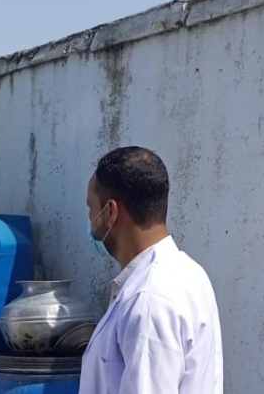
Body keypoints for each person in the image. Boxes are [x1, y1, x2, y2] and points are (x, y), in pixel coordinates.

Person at [79, 146, 223, 394]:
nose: (90, 220)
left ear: (111, 211)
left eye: (91, 207)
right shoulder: (190, 273)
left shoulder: (147, 298)